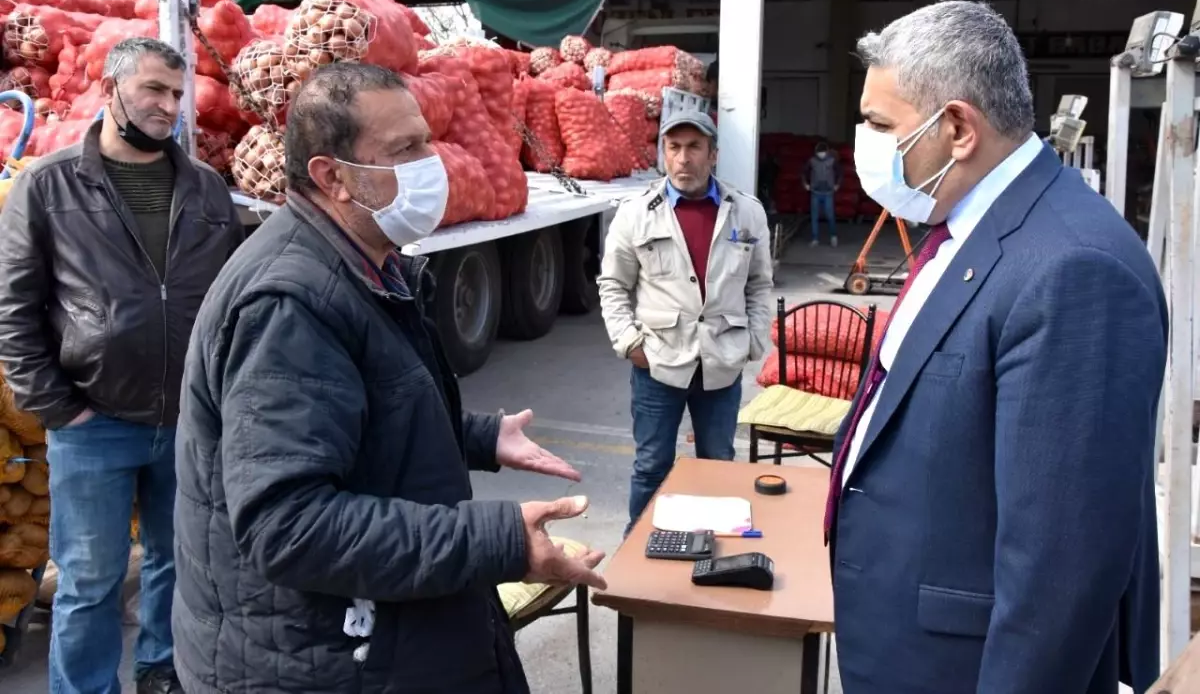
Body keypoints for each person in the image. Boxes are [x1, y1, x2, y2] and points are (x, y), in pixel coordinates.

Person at [172, 62, 607, 694]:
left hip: (372, 638)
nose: (433, 162)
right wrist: (499, 539)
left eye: (427, 141)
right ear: (332, 177)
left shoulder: (365, 264)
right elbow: (288, 527)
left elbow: (356, 419)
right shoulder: (289, 303)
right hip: (318, 660)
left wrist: (477, 436)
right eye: (405, 149)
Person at [826, 1, 1165, 693]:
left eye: (880, 125)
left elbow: (1060, 572)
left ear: (956, 127)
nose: (863, 142)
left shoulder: (1073, 268)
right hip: (904, 638)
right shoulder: (968, 224)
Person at [0, 37, 243, 694]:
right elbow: (14, 311)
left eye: (175, 92)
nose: (168, 105)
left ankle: (162, 672)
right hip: (92, 423)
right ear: (111, 91)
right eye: (153, 91)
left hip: (188, 419)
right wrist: (59, 409)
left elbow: (227, 304)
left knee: (178, 562)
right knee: (88, 581)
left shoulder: (206, 189)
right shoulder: (47, 187)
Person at [598, 110, 773, 534]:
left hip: (721, 362)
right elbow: (613, 285)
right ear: (663, 153)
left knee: (718, 464)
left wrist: (753, 342)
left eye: (694, 147)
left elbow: (760, 284)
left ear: (713, 154)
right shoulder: (636, 213)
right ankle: (637, 551)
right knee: (651, 465)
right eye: (673, 147)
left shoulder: (745, 213)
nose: (683, 158)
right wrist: (628, 343)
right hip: (658, 363)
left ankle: (713, 549)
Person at [805, 142, 842, 247]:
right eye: (819, 153)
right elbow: (804, 172)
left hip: (828, 192)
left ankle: (833, 236)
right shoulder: (812, 161)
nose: (821, 154)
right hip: (815, 192)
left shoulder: (832, 161)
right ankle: (815, 238)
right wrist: (806, 184)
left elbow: (840, 173)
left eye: (823, 152)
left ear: (827, 152)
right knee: (814, 216)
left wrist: (837, 184)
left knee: (830, 215)